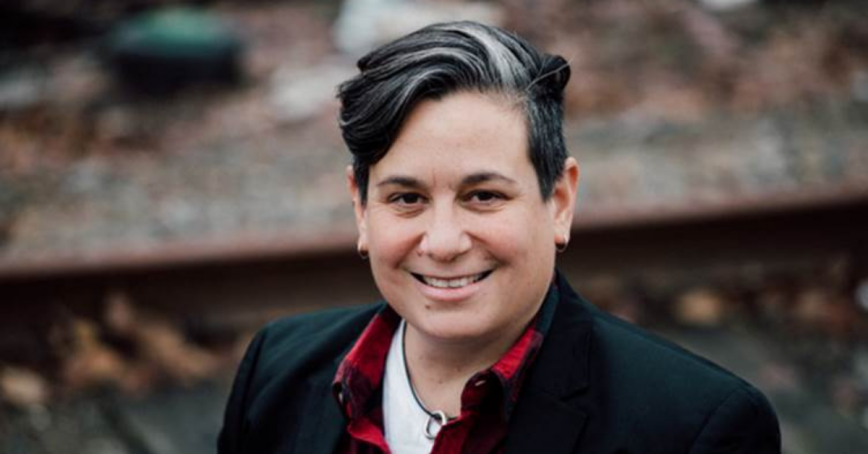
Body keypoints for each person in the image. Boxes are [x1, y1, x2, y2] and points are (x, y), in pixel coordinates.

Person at [218, 21, 781, 454]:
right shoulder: (278, 369)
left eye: (483, 196)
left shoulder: (698, 429)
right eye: (406, 198)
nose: (441, 242)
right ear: (361, 208)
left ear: (558, 202)